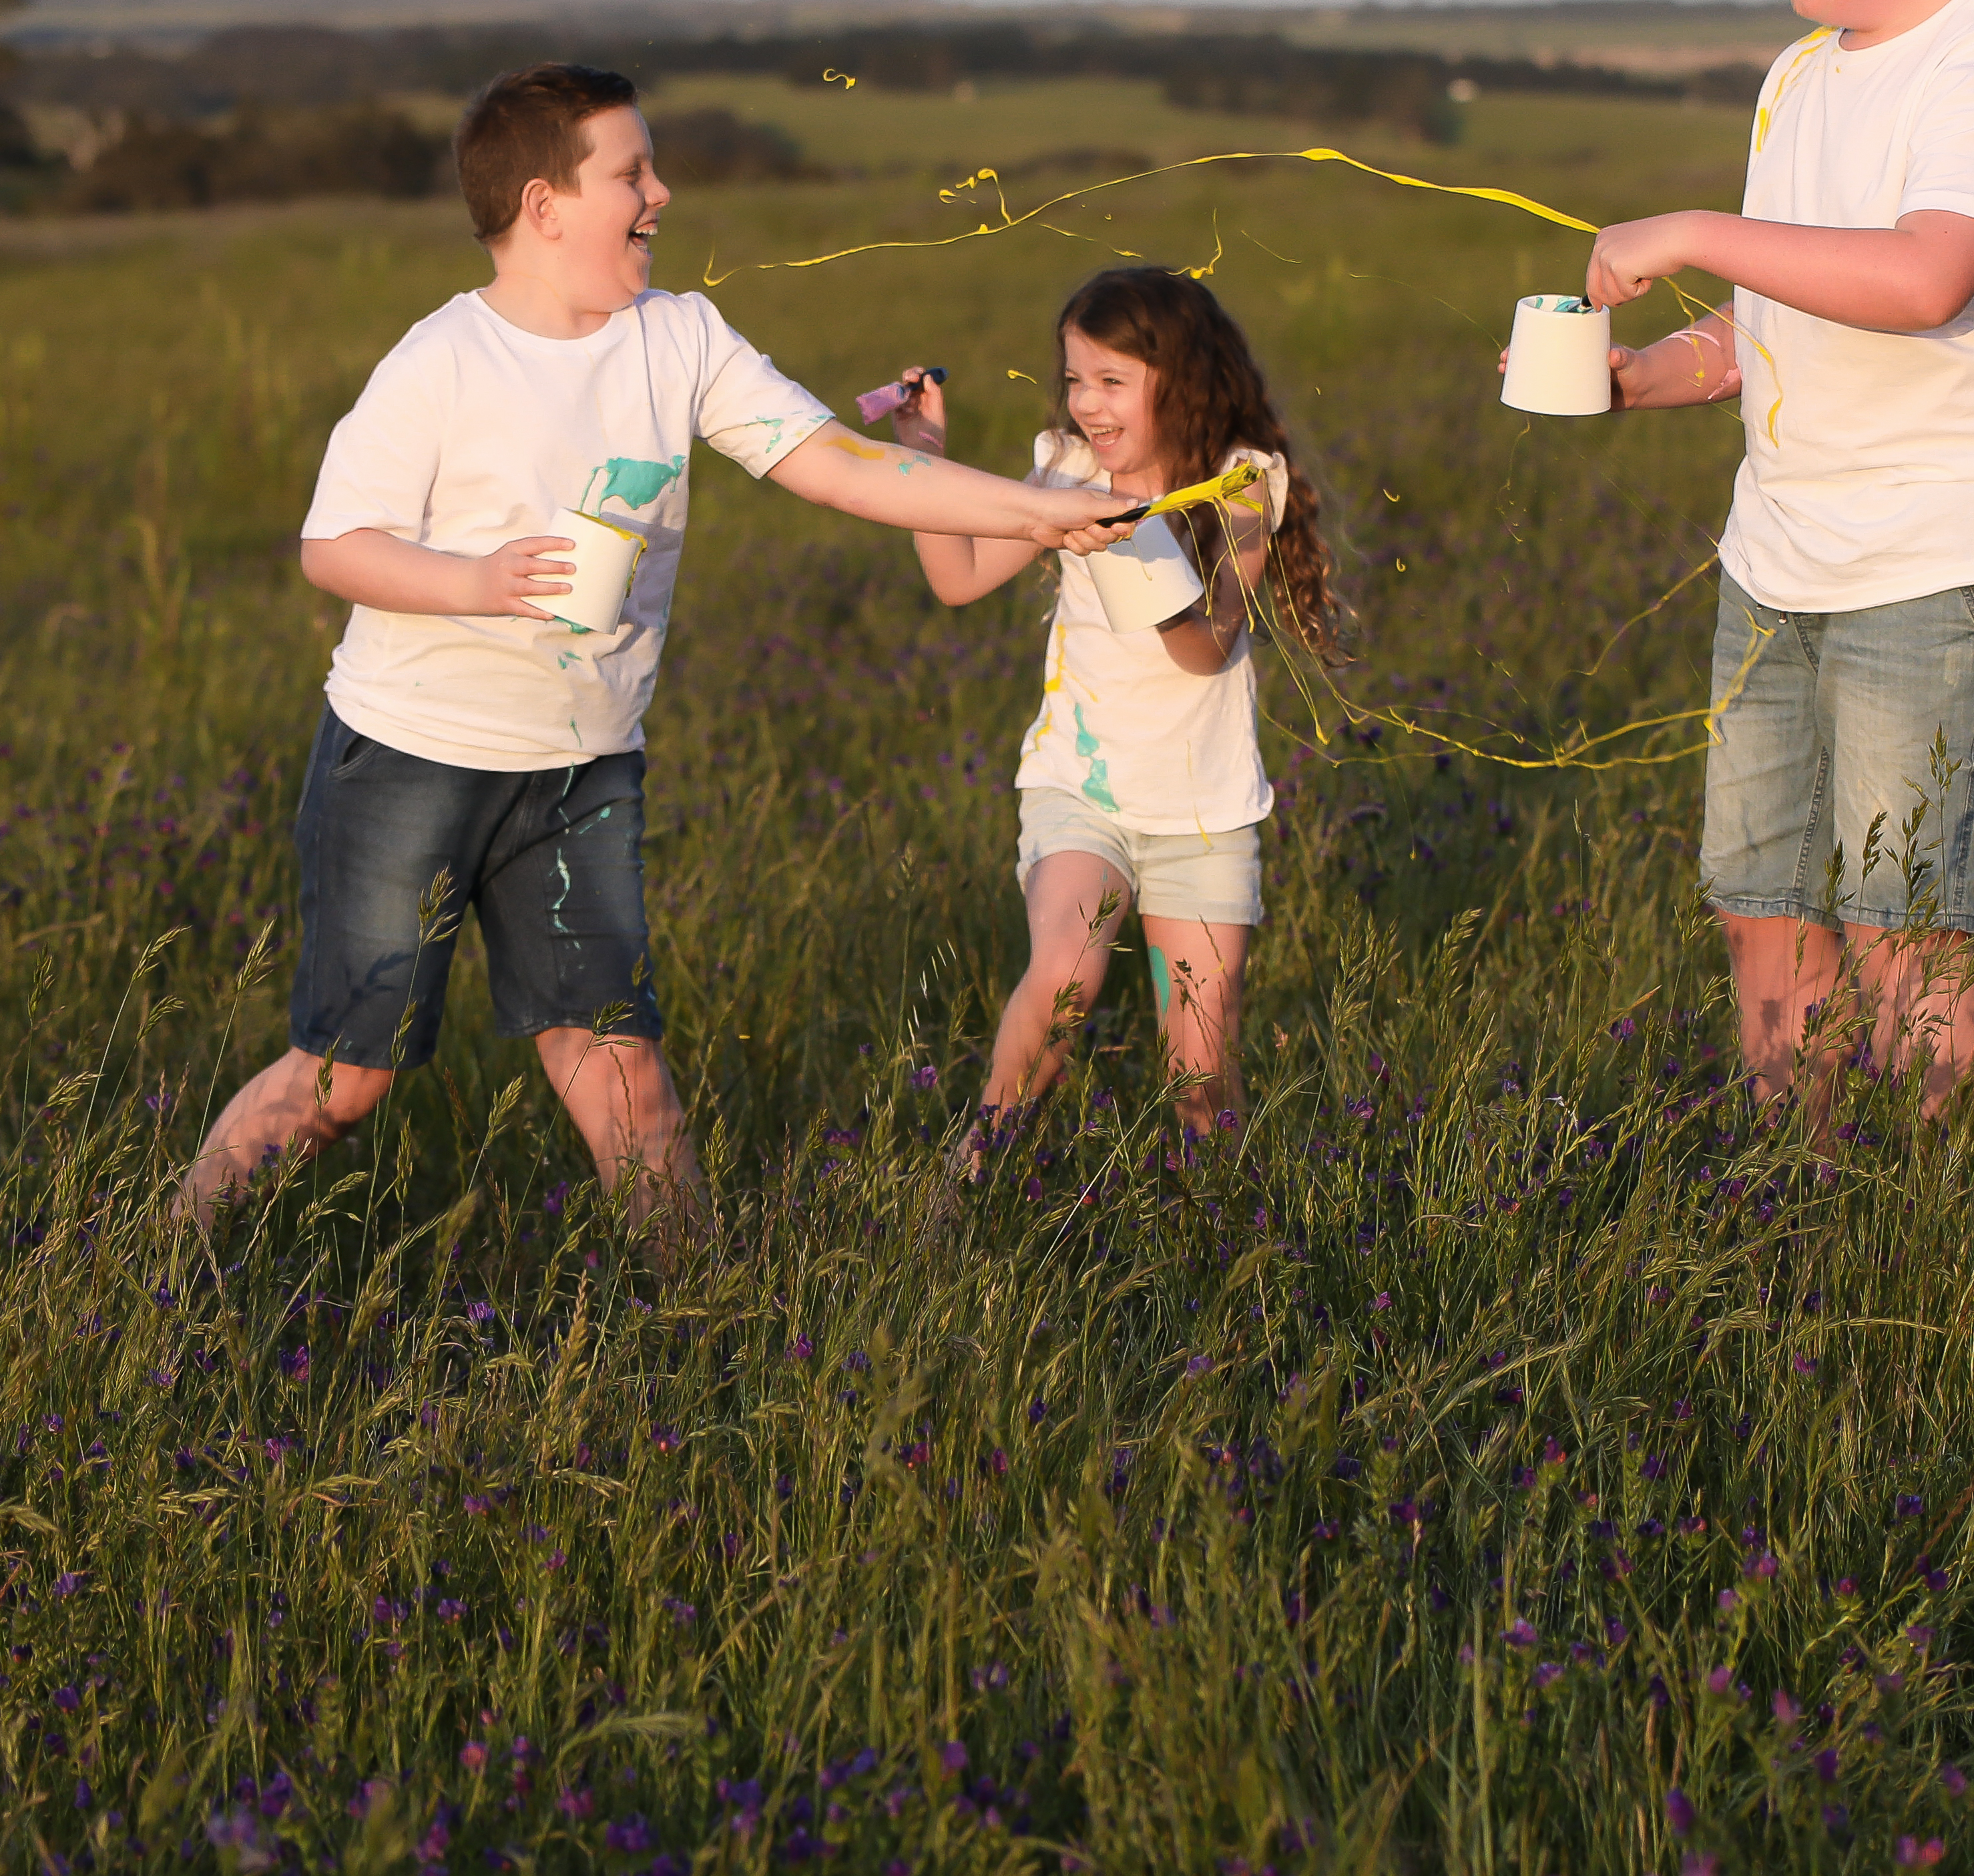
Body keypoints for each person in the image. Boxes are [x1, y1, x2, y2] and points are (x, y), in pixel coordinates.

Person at [176, 64, 1129, 1234]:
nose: (662, 193)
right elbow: (334, 545)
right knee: (344, 1080)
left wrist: (1036, 514)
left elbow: (834, 463)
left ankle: (709, 1319)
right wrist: (471, 582)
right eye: (633, 172)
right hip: (409, 758)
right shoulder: (441, 359)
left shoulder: (680, 336)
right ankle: (172, 1259)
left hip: (583, 770)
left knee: (625, 1076)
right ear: (544, 206)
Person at [1575, 0, 1974, 1116]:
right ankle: (1802, 1223)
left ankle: (1939, 1255)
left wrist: (1684, 225)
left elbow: (1923, 278)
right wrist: (1623, 380)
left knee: (1900, 938)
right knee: (1761, 914)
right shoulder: (1797, 80)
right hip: (1776, 565)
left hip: (1942, 566)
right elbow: (1765, 325)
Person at [878, 266, 1343, 1155]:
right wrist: (924, 458)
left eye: (1110, 381)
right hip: (1079, 790)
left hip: (1203, 812)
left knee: (1200, 1067)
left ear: (1183, 379)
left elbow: (1204, 648)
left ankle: (1222, 1229)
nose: (1086, 403)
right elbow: (958, 576)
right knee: (1064, 977)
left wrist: (1142, 544)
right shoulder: (1068, 467)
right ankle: (970, 1178)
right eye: (1074, 379)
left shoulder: (1239, 485)